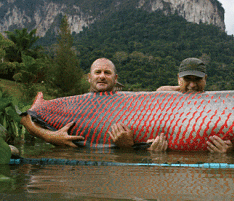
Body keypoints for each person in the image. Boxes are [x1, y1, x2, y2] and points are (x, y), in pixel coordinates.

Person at [21, 58, 167, 151]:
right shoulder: (73, 104)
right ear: (89, 78)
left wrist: (129, 147)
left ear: (115, 79)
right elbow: (25, 118)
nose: (102, 76)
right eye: (98, 72)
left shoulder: (130, 105)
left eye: (107, 73)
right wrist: (51, 137)